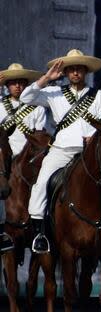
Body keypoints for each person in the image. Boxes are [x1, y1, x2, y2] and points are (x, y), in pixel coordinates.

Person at [20, 49, 101, 254]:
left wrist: (93, 137)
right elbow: (25, 97)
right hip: (61, 150)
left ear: (86, 72)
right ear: (66, 72)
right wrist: (47, 78)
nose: (76, 73)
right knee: (41, 184)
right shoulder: (53, 93)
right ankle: (40, 234)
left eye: (80, 69)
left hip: (91, 151)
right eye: (71, 69)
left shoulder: (99, 96)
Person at [0, 63, 47, 253]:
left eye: (21, 83)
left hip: (29, 160)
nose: (17, 86)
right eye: (13, 83)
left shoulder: (37, 108)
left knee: (47, 184)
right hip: (4, 157)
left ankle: (43, 230)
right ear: (7, 85)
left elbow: (39, 137)